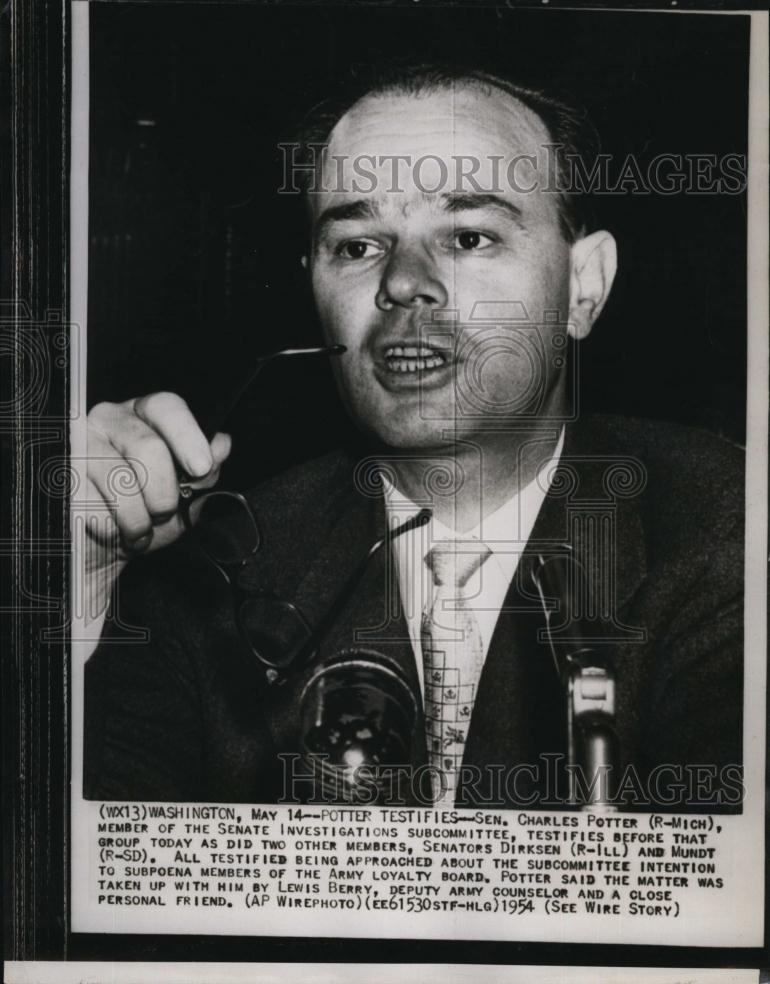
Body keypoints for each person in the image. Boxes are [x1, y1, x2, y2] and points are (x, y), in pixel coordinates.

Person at [83, 65, 744, 809]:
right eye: (358, 245)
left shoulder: (729, 535)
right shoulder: (206, 577)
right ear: (314, 288)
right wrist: (82, 581)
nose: (403, 282)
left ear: (584, 286)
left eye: (468, 235)